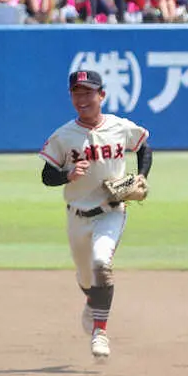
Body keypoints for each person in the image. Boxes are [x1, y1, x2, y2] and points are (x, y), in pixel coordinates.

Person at [39, 70, 152, 359]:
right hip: (76, 215)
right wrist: (67, 174)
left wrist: (141, 176)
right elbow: (47, 175)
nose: (83, 99)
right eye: (77, 93)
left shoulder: (119, 126)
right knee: (86, 278)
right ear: (71, 97)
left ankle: (99, 331)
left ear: (101, 95)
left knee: (102, 263)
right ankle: (92, 300)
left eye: (88, 93)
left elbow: (143, 146)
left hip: (112, 211)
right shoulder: (63, 136)